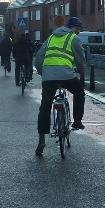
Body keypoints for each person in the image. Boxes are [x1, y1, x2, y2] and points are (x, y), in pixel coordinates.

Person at [33, 16, 87, 157]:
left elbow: (39, 58)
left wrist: (41, 72)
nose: (79, 33)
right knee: (80, 93)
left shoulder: (50, 38)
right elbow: (80, 60)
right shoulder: (73, 38)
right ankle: (77, 121)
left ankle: (41, 141)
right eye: (79, 30)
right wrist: (81, 73)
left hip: (49, 77)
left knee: (45, 106)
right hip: (67, 76)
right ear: (75, 28)